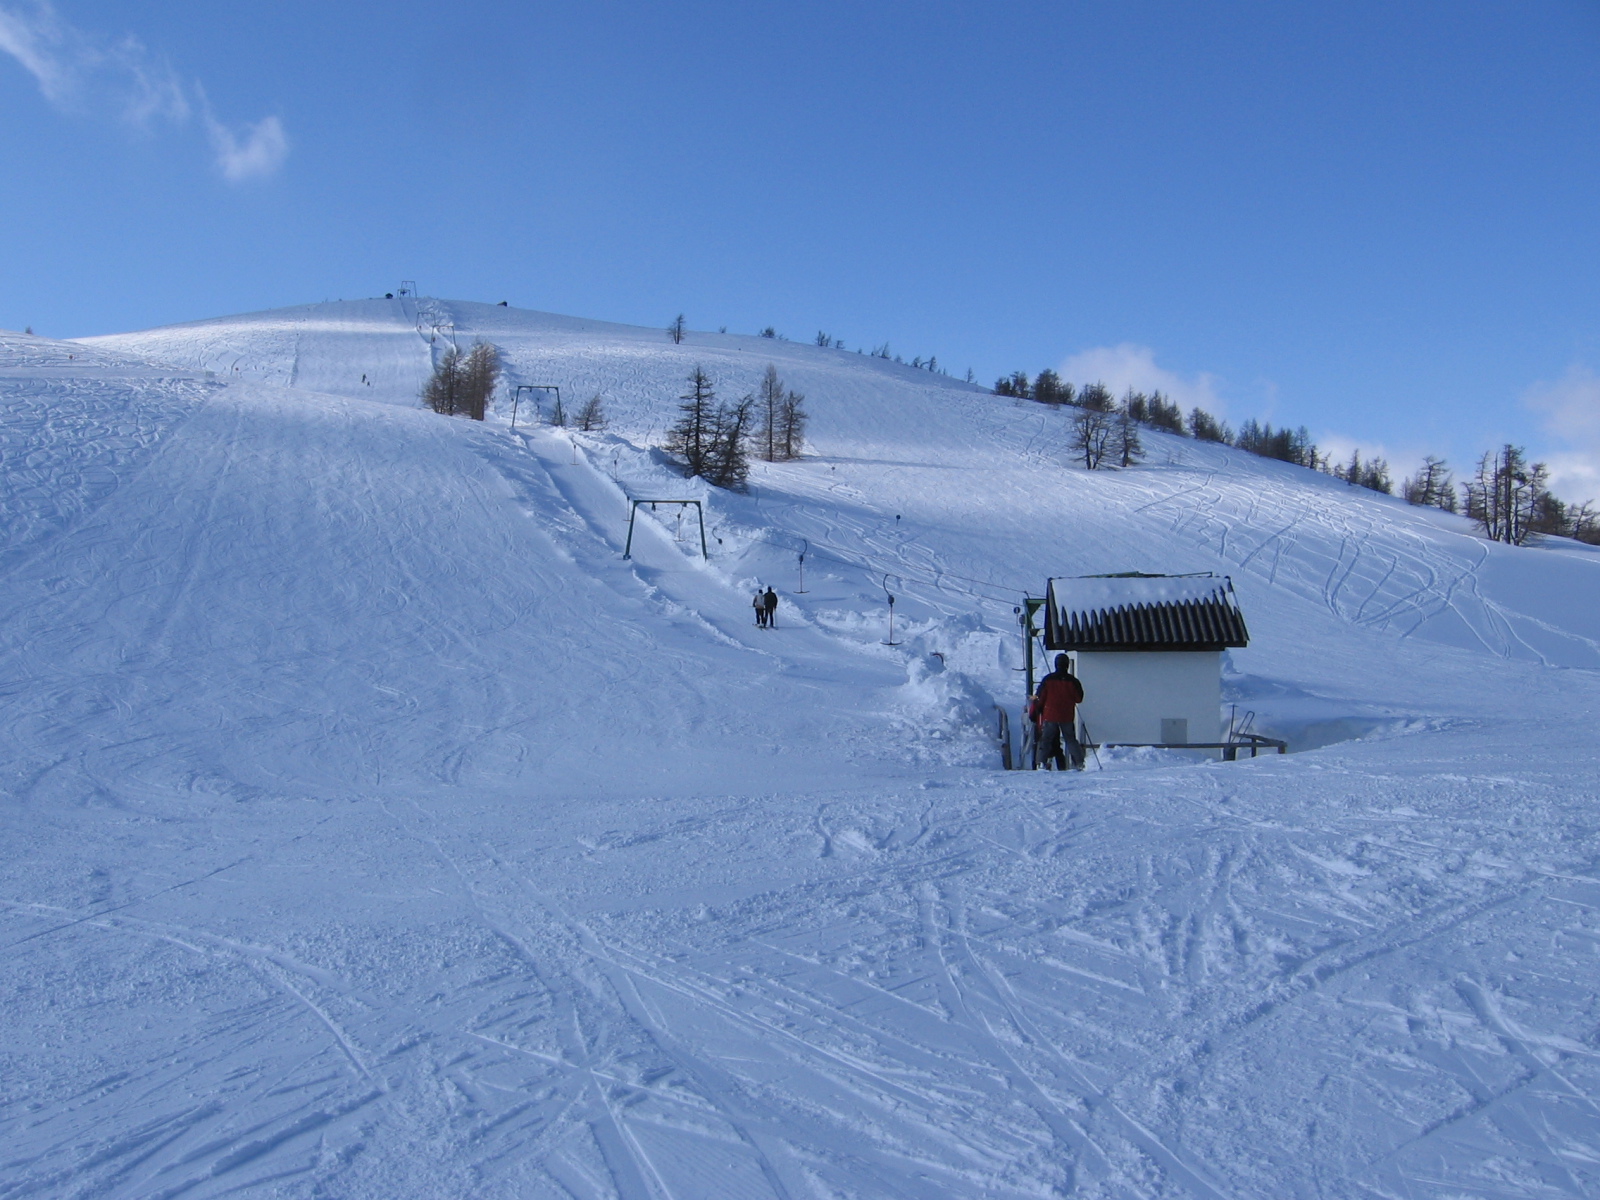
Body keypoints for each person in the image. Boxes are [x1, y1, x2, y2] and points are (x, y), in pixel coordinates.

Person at [1029, 654, 1085, 770]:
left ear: (1056, 664)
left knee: (1046, 740)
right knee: (1070, 739)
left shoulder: (1048, 679)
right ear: (1067, 665)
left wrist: (1038, 709)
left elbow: (1041, 697)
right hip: (1067, 715)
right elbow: (1079, 698)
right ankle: (1079, 763)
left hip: (1050, 714)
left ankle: (1041, 763)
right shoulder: (1073, 681)